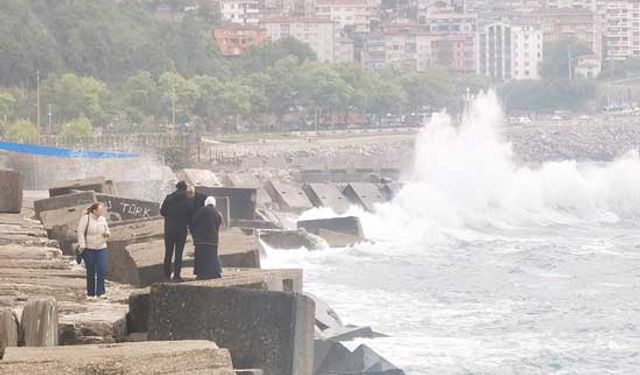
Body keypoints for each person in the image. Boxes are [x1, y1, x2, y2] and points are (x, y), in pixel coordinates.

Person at [77, 202, 111, 300]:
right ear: (94, 211)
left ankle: (101, 293)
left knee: (102, 269)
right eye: (100, 210)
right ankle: (91, 294)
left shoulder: (103, 219)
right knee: (91, 271)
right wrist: (82, 245)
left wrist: (107, 233)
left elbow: (107, 229)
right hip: (89, 248)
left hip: (101, 247)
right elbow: (80, 232)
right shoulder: (86, 219)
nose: (102, 211)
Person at [160, 180, 190, 282]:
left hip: (169, 229)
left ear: (176, 187)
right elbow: (190, 214)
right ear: (185, 189)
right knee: (178, 253)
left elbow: (162, 211)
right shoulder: (187, 200)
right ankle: (177, 276)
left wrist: (169, 218)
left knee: (168, 252)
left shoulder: (168, 198)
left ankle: (166, 276)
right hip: (181, 230)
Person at [191, 196, 223, 280]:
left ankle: (201, 274)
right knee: (212, 257)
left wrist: (195, 234)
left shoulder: (201, 210)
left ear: (206, 203)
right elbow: (218, 225)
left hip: (201, 239)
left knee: (201, 257)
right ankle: (215, 273)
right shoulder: (217, 213)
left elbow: (193, 221)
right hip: (213, 240)